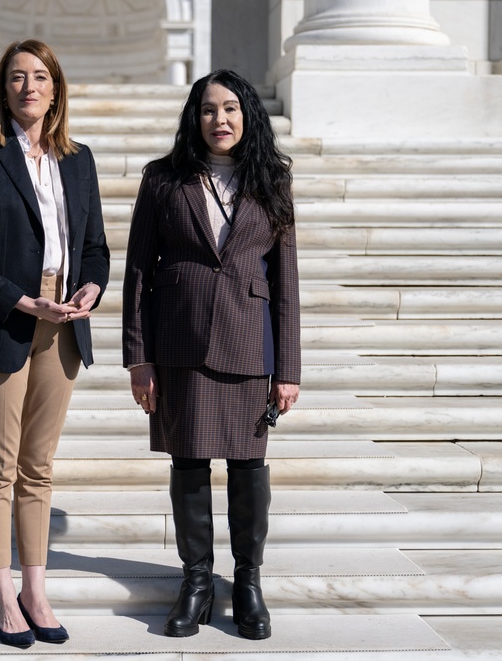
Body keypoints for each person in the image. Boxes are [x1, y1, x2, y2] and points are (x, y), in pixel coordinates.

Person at [0, 39, 109, 649]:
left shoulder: (79, 159)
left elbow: (95, 245)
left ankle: (36, 591)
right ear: (3, 89)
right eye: (17, 77)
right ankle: (1, 593)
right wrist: (20, 299)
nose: (29, 87)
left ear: (56, 88)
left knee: (38, 468)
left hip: (63, 324)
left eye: (40, 77)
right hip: (5, 318)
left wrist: (90, 286)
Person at [122, 69, 300, 640]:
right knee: (189, 464)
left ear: (247, 115)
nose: (218, 120)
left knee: (249, 468)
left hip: (249, 344)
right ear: (192, 118)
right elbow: (135, 274)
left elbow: (287, 282)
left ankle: (247, 581)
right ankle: (196, 580)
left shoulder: (272, 181)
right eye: (206, 110)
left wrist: (288, 370)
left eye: (229, 109)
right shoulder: (163, 180)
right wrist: (138, 358)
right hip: (179, 343)